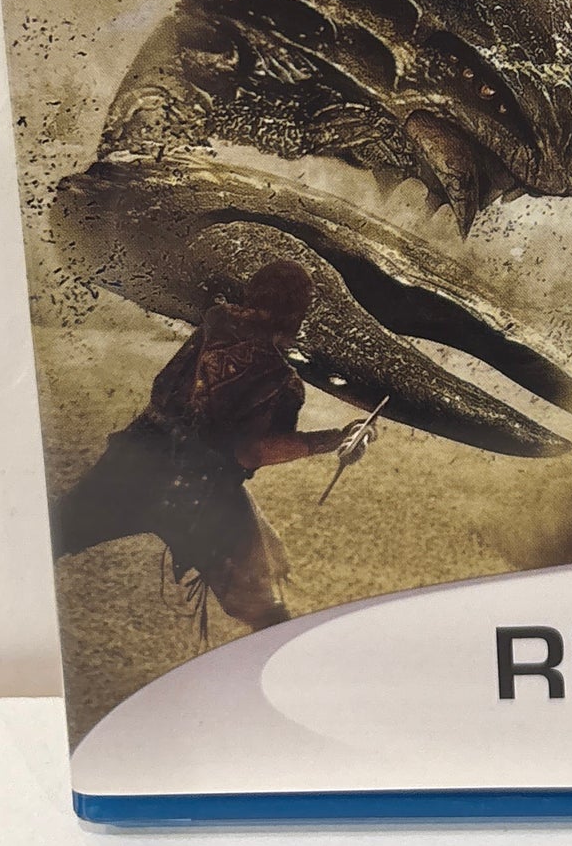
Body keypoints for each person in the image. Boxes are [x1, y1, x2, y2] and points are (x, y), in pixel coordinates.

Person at [51, 260, 375, 634]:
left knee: (56, 531)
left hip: (134, 461)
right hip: (197, 497)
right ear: (298, 314)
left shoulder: (214, 325)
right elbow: (251, 451)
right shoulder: (281, 382)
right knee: (260, 607)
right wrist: (336, 439)